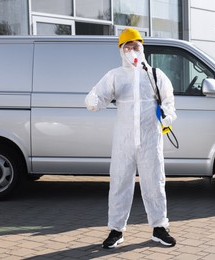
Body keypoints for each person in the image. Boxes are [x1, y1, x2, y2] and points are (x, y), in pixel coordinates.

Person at [84, 28, 177, 249]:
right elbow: (101, 96)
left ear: (142, 47)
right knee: (119, 184)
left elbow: (169, 102)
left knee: (155, 183)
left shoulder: (154, 75)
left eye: (135, 45)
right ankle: (116, 231)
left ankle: (159, 228)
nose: (132, 50)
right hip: (124, 142)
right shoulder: (115, 75)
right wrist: (92, 100)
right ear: (121, 50)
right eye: (127, 46)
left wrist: (167, 116)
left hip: (150, 139)